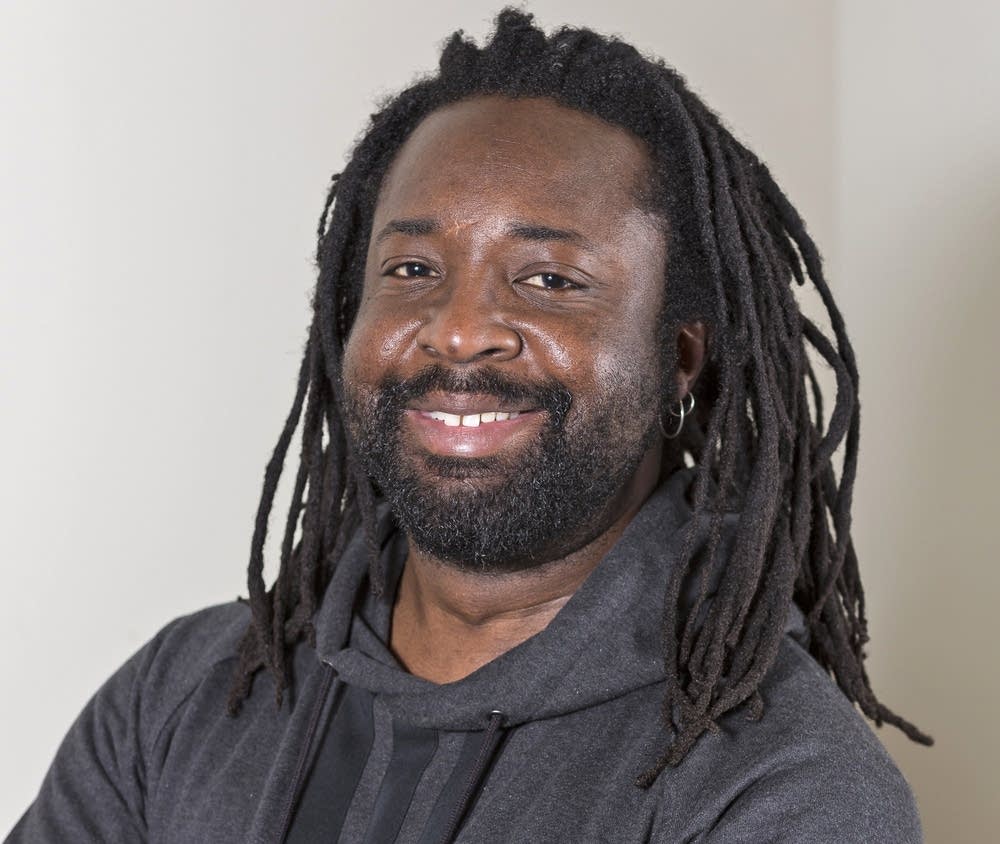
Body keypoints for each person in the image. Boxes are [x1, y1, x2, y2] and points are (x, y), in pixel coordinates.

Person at [8, 9, 933, 843]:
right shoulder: (183, 694)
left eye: (549, 280)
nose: (456, 329)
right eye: (411, 270)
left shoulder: (781, 790)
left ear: (678, 359)